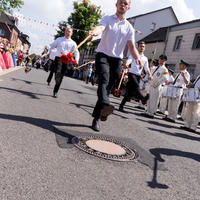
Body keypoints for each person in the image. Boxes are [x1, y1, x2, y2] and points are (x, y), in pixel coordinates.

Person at [88, 0, 141, 131]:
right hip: (102, 55)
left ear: (128, 7)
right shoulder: (107, 18)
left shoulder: (129, 27)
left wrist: (137, 58)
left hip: (117, 60)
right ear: (116, 4)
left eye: (125, 3)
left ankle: (97, 116)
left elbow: (132, 46)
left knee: (107, 89)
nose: (122, 5)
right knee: (104, 81)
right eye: (120, 2)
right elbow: (100, 27)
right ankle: (105, 106)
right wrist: (95, 31)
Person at [119, 41, 152, 112]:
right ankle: (142, 99)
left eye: (143, 46)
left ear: (145, 48)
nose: (142, 48)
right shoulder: (133, 55)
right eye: (140, 46)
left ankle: (121, 106)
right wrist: (126, 64)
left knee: (129, 93)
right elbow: (129, 61)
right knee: (137, 86)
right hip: (131, 74)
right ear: (138, 47)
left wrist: (150, 75)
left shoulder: (145, 58)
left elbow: (146, 68)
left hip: (138, 76)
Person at [49, 27, 79, 97]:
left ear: (72, 33)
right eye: (66, 31)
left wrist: (76, 60)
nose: (67, 33)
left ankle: (55, 91)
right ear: (65, 32)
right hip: (58, 58)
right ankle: (57, 76)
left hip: (67, 60)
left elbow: (76, 52)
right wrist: (51, 51)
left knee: (61, 77)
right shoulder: (59, 39)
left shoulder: (73, 43)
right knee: (58, 72)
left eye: (69, 32)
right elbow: (51, 46)